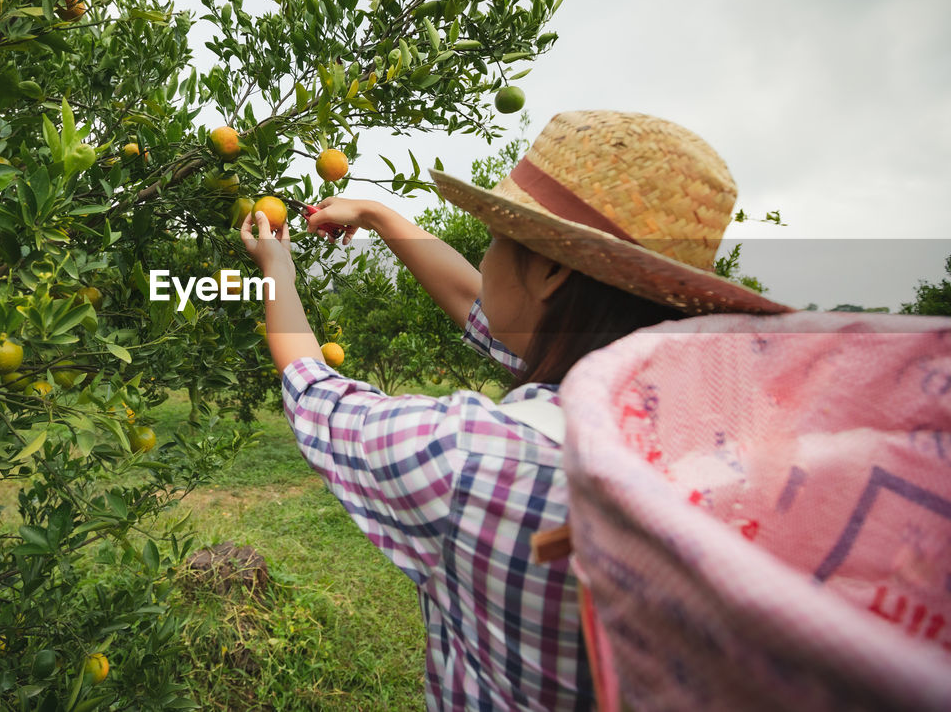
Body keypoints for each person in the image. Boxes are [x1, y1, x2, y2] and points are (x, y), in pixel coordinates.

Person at [238, 110, 790, 711]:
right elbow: (481, 304)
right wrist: (376, 213)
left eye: (497, 239)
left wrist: (277, 272)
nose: (487, 257)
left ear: (551, 271)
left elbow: (314, 389)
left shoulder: (470, 458)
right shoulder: (723, 438)